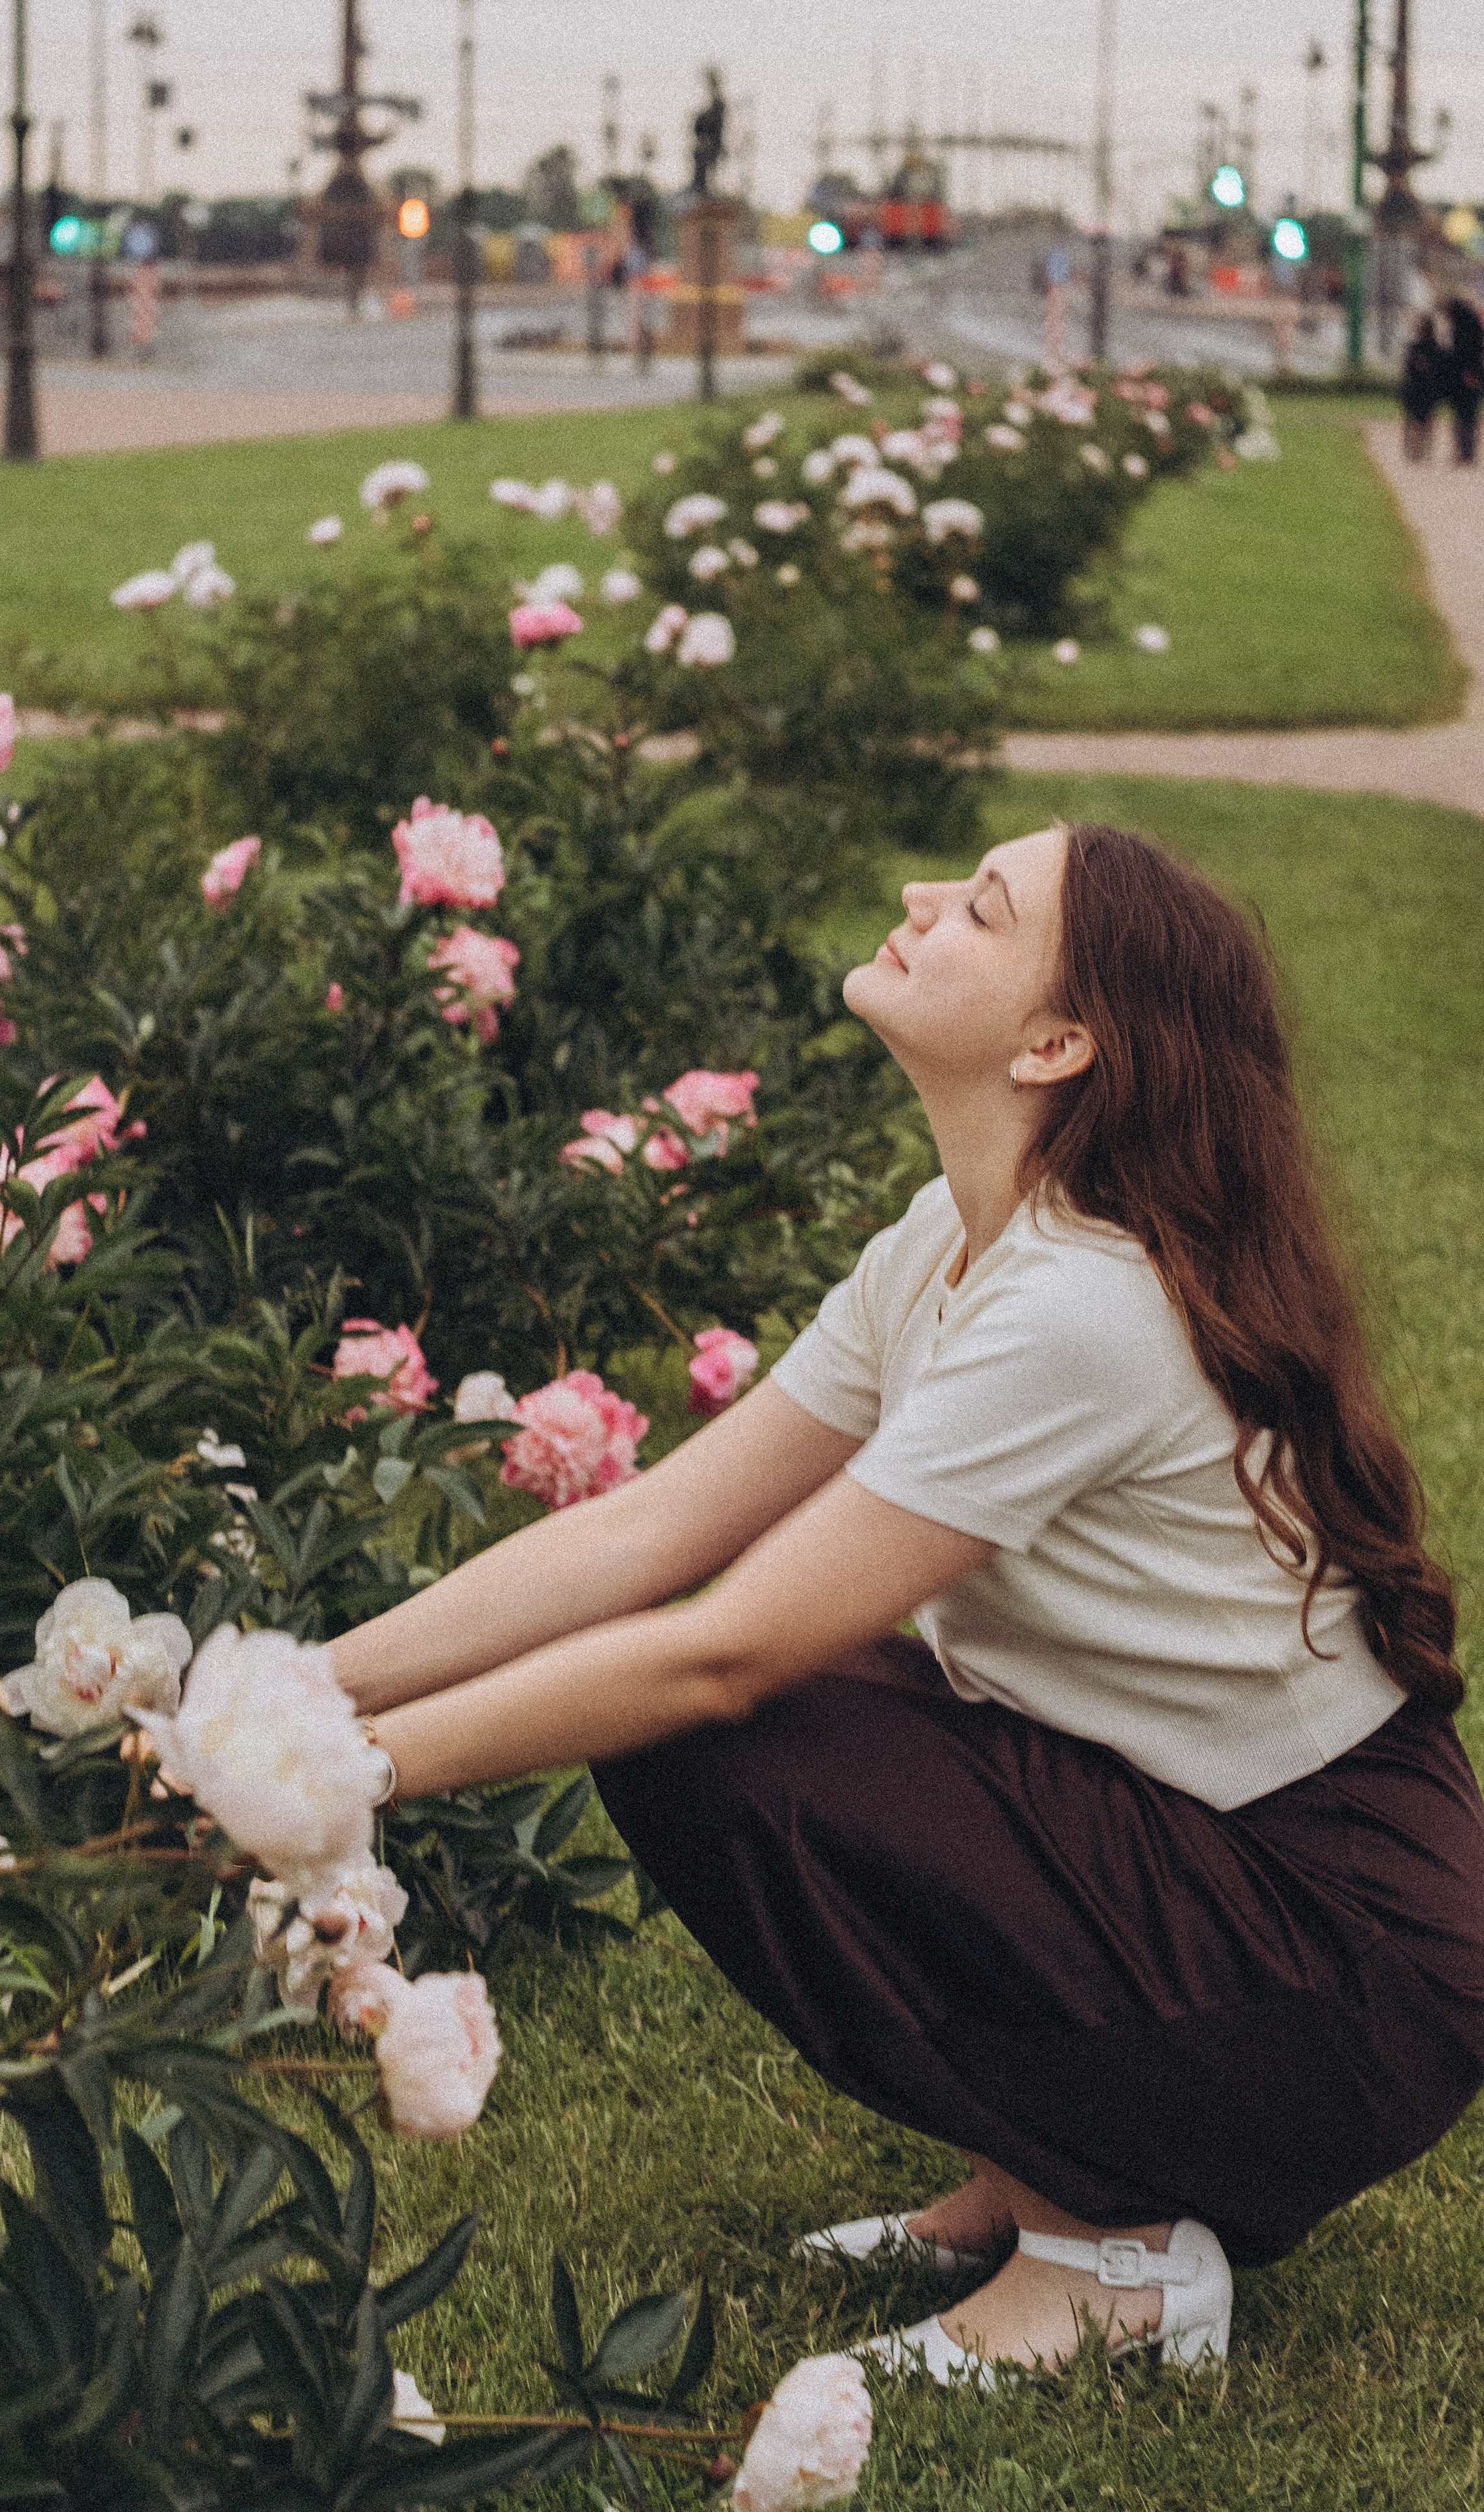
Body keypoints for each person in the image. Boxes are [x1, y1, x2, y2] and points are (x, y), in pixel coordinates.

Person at [330, 822, 1484, 2388]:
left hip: (1347, 1954)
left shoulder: (1084, 1304)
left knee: (736, 1731)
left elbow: (724, 1644)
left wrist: (347, 1776)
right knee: (772, 1720)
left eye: (977, 908)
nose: (914, 902)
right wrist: (298, 1690)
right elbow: (654, 1527)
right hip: (1226, 1857)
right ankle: (1039, 2173)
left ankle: (1116, 2255)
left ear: (1055, 1040)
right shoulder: (949, 1241)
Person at [1400, 314, 1445, 461]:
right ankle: (1418, 450)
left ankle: (1419, 450)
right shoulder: (1420, 348)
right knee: (1421, 422)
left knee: (1422, 422)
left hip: (1425, 390)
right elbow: (1409, 368)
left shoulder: (1431, 349)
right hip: (1419, 389)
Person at [1445, 292, 1483, 466]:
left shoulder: (1464, 326)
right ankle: (1465, 452)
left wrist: (1470, 373)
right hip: (1466, 375)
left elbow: (1468, 353)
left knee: (1465, 416)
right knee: (1467, 416)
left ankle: (1465, 453)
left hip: (1467, 376)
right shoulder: (1467, 323)